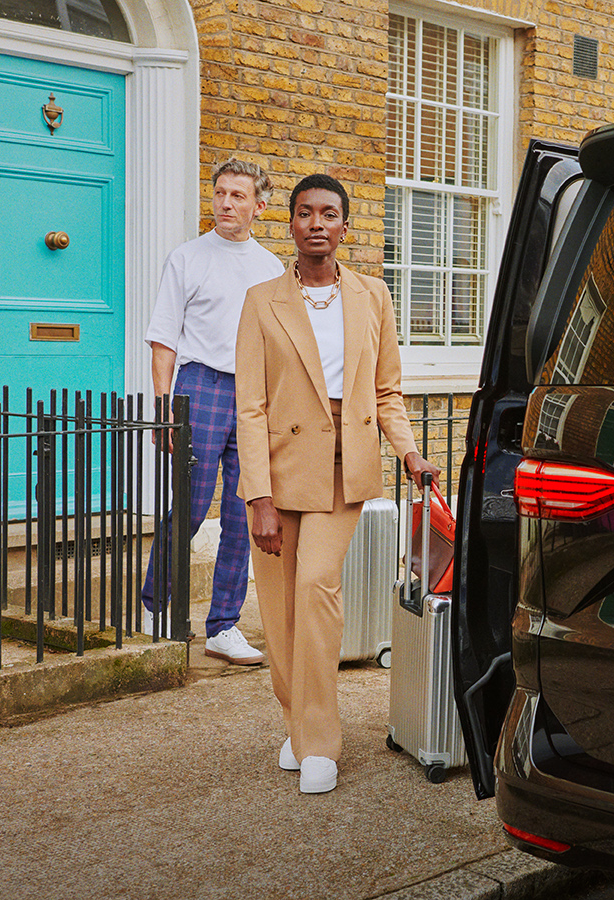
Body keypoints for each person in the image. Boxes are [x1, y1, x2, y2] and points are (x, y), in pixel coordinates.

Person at [236, 173, 440, 793]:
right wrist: (259, 497)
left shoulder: (373, 296)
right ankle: (299, 724)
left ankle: (321, 742)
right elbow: (250, 406)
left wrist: (410, 455)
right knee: (279, 611)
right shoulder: (261, 300)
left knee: (316, 590)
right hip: (279, 473)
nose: (316, 223)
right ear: (291, 224)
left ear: (345, 226)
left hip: (342, 472)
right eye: (305, 213)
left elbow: (386, 391)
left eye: (329, 213)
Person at [139, 158, 285, 664]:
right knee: (192, 505)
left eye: (238, 196)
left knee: (244, 514)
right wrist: (164, 409)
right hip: (199, 386)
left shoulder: (271, 269)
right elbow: (163, 340)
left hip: (253, 396)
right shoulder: (187, 257)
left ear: (259, 207)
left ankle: (223, 625)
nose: (225, 203)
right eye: (220, 193)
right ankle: (155, 608)